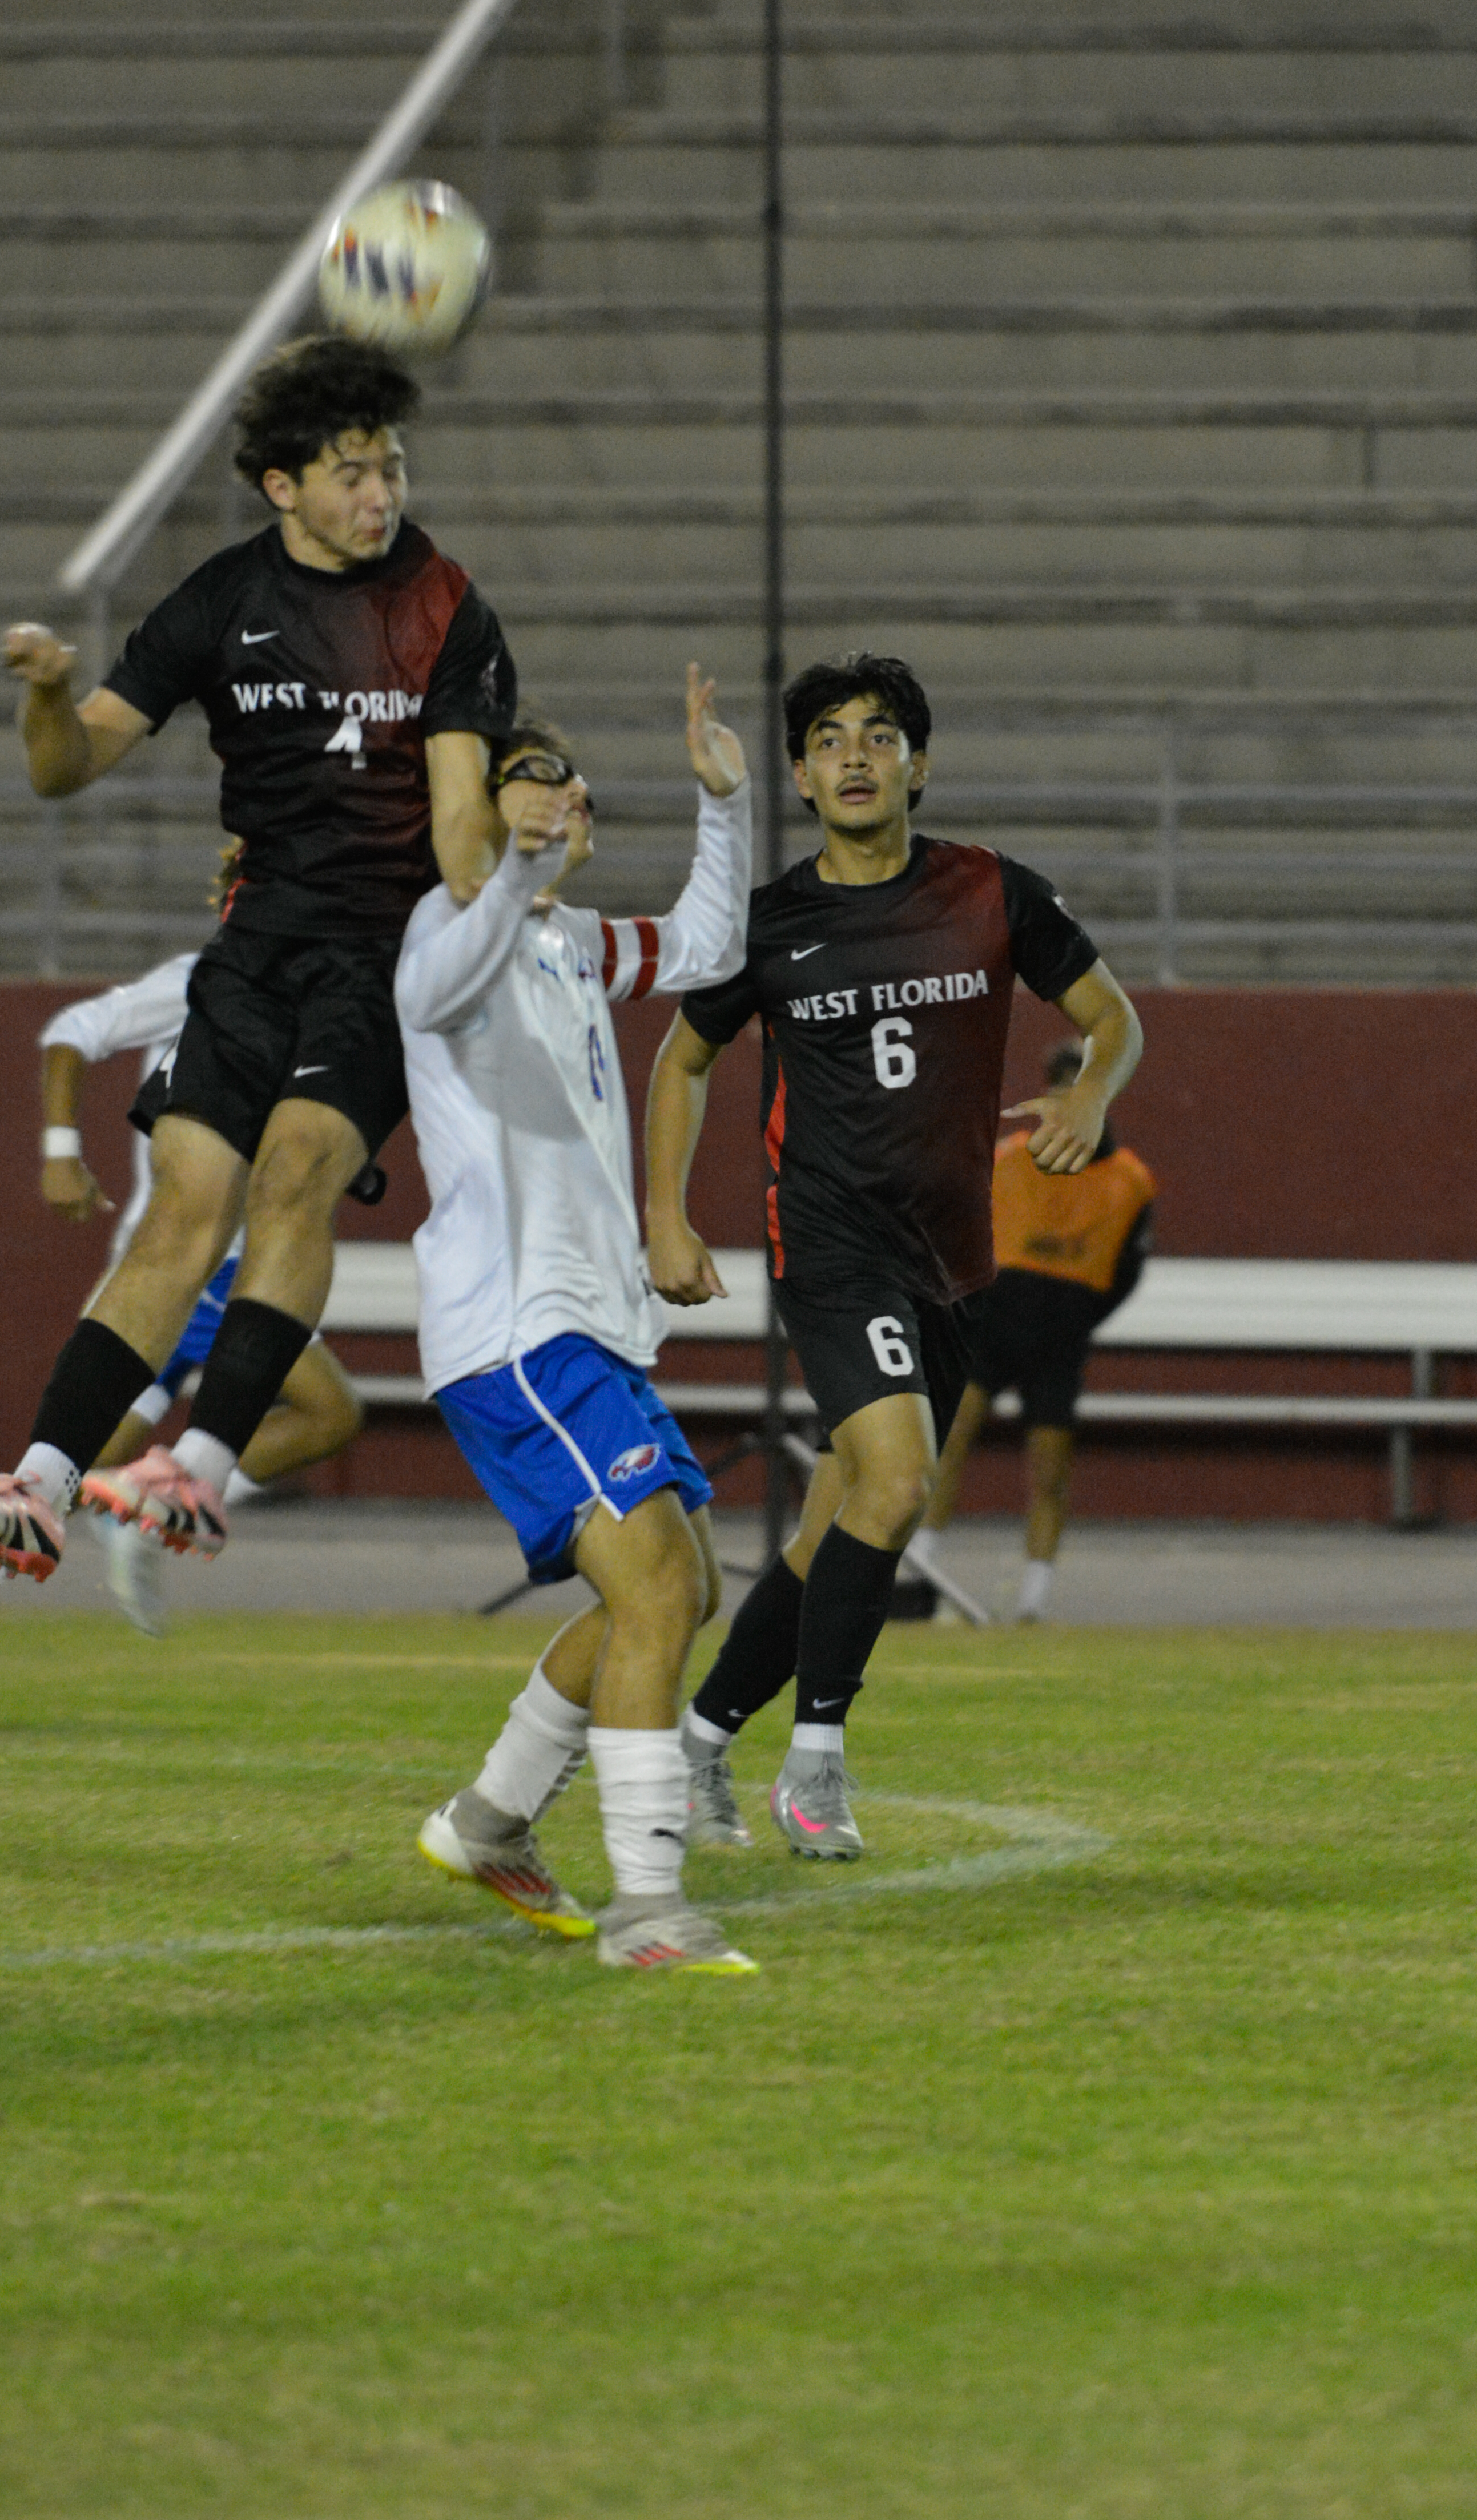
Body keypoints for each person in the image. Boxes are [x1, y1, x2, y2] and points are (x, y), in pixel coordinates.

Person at [0, 333, 513, 1588]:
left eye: (392, 468)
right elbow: (64, 768)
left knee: (295, 1178)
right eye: (352, 473)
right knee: (180, 1219)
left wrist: (505, 861)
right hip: (249, 959)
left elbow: (462, 832)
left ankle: (198, 1462)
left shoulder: (446, 606)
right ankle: (33, 1486)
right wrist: (48, 692)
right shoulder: (217, 604)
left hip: (375, 967)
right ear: (279, 485)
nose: (382, 496)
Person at [646, 651, 1142, 1860]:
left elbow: (1110, 1017)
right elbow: (682, 1058)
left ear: (920, 764)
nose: (853, 755)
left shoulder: (988, 891)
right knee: (896, 1482)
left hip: (953, 1261)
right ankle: (816, 1763)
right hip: (828, 1243)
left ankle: (700, 1743)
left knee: (837, 1528)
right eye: (827, 739)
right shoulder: (768, 922)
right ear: (801, 777)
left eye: (878, 736)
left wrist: (1091, 1099)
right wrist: (662, 1214)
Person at [399, 668, 758, 1976]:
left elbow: (706, 949)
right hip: (517, 1329)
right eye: (535, 773)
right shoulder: (447, 927)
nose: (567, 793)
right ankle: (649, 1909)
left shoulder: (567, 942)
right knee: (657, 1581)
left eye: (572, 781)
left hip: (587, 1332)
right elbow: (436, 998)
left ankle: (491, 1820)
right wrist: (503, 874)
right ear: (478, 814)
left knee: (680, 1591)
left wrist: (724, 805)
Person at [0, 933, 365, 1716]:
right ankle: (158, 1503)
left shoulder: (330, 986)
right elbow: (72, 1031)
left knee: (63, 1478)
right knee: (328, 1410)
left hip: (207, 1265)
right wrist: (61, 1150)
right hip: (201, 1268)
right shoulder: (212, 978)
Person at [905, 1037, 1155, 1623]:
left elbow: (1126, 1273)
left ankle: (1032, 1603)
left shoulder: (1130, 1182)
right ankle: (918, 1571)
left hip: (1059, 1340)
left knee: (1049, 1471)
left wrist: (1075, 1322)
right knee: (949, 1441)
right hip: (990, 1327)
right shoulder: (1004, 1160)